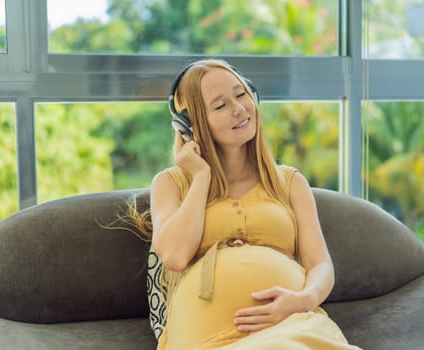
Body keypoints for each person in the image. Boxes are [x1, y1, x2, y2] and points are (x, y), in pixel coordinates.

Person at [149, 59, 362, 349]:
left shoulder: (290, 183)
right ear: (190, 126)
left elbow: (320, 264)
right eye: (220, 105)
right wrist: (201, 176)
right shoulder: (171, 184)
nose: (238, 109)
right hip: (207, 334)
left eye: (241, 94)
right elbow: (174, 256)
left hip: (292, 324)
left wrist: (304, 299)